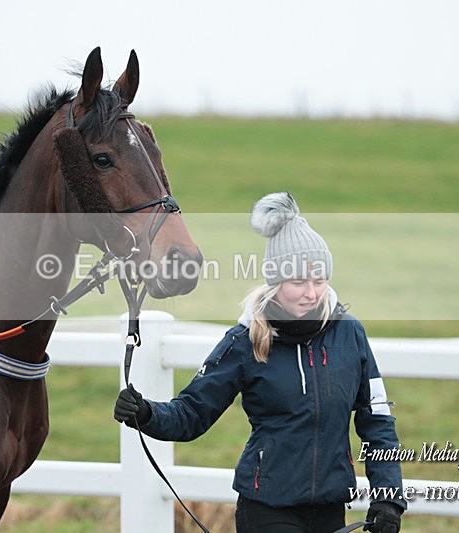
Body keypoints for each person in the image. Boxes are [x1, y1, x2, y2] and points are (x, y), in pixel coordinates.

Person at [114, 192, 406, 533]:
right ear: (276, 282)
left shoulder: (349, 334)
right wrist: (146, 414)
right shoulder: (244, 341)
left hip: (330, 508)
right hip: (267, 509)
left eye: (319, 281)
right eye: (298, 282)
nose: (311, 293)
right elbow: (192, 413)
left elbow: (378, 423)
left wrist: (388, 499)